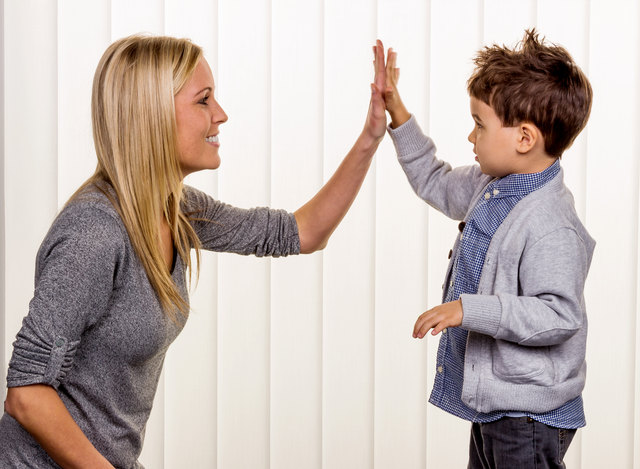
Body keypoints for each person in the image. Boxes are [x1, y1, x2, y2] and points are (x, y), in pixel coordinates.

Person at [0, 35, 388, 468]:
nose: (221, 115)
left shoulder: (177, 209)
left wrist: (371, 136)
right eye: (204, 100)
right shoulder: (94, 232)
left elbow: (301, 233)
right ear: (151, 116)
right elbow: (27, 394)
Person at [383, 30, 594, 468]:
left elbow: (559, 315)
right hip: (498, 407)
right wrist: (398, 115)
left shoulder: (551, 224)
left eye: (480, 124)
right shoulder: (491, 187)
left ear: (524, 138)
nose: (470, 136)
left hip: (529, 415)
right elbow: (434, 180)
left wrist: (468, 310)